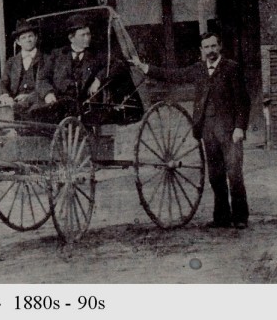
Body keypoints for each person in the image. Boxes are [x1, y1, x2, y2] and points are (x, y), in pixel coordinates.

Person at [132, 30, 250, 229]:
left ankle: (240, 217)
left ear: (219, 46)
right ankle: (221, 217)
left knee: (234, 173)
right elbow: (174, 75)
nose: (210, 51)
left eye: (213, 46)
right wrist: (145, 68)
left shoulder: (231, 68)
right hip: (207, 129)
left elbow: (243, 101)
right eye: (206, 47)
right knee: (215, 175)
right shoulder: (198, 69)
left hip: (229, 130)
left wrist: (239, 127)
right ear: (201, 50)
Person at [35, 12, 138, 126]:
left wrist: (99, 79)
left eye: (88, 34)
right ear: (71, 38)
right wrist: (48, 94)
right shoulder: (58, 55)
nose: (87, 38)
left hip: (85, 105)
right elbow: (42, 78)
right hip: (59, 102)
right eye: (82, 35)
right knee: (35, 112)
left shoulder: (96, 54)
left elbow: (118, 64)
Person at [0, 20, 44, 119]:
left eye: (30, 36)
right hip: (15, 103)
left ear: (36, 38)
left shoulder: (46, 59)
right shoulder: (12, 62)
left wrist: (29, 97)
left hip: (38, 104)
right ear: (18, 42)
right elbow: (2, 83)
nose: (28, 40)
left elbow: (47, 85)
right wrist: (5, 96)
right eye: (24, 38)